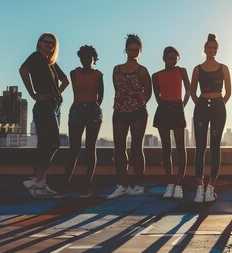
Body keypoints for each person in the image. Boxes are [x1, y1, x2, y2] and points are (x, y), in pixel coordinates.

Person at [20, 33, 69, 198]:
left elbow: (65, 81)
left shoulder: (51, 63)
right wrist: (32, 93)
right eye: (46, 42)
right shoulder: (36, 57)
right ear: (39, 43)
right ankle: (38, 182)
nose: (49, 45)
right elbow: (23, 70)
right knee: (52, 143)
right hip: (43, 106)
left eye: (52, 43)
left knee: (47, 144)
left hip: (54, 106)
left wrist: (57, 94)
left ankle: (39, 183)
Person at [107, 34, 152, 199]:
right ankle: (123, 184)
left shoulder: (143, 70)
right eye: (130, 49)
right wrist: (124, 104)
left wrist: (137, 104)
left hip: (138, 112)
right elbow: (117, 89)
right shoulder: (116, 69)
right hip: (119, 111)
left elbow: (148, 92)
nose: (133, 52)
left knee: (136, 147)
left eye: (136, 50)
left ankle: (139, 184)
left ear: (140, 51)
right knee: (118, 148)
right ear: (125, 50)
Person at [190, 33, 231, 202]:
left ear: (217, 50)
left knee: (215, 146)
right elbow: (192, 91)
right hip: (201, 107)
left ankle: (211, 187)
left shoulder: (224, 68)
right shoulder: (197, 69)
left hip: (218, 108)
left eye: (214, 48)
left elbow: (228, 92)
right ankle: (200, 188)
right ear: (204, 49)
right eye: (209, 47)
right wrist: (200, 104)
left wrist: (219, 104)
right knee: (200, 147)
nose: (211, 50)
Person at [65, 45, 104, 198]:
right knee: (73, 149)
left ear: (94, 59)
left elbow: (101, 96)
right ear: (80, 58)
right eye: (83, 58)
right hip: (77, 110)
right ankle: (65, 184)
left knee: (90, 148)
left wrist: (91, 107)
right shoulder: (73, 73)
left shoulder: (98, 74)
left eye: (90, 58)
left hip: (93, 111)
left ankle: (87, 185)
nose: (86, 60)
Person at [152, 46, 191, 199]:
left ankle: (179, 184)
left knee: (180, 147)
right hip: (163, 110)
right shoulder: (156, 75)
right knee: (166, 148)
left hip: (177, 108)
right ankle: (169, 184)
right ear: (164, 58)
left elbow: (189, 90)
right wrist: (164, 105)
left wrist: (183, 105)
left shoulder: (182, 71)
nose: (173, 60)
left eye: (175, 58)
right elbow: (157, 95)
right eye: (170, 57)